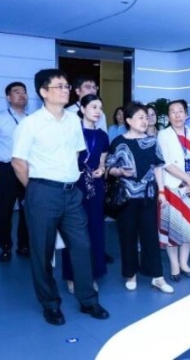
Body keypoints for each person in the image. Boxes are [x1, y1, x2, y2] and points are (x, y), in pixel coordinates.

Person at [12, 69, 108, 325]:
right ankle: (50, 304)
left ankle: (88, 300)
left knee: (82, 246)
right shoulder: (30, 123)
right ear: (43, 92)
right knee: (42, 252)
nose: (66, 90)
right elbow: (18, 162)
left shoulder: (73, 121)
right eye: (59, 86)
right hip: (43, 192)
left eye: (67, 86)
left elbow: (77, 154)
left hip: (72, 192)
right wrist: (37, 190)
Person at [106, 101, 173, 294]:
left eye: (146, 117)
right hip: (126, 197)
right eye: (140, 117)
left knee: (150, 235)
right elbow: (109, 168)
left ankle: (157, 277)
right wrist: (120, 171)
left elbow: (158, 167)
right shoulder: (118, 142)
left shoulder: (152, 141)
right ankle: (131, 274)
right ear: (128, 120)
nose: (145, 121)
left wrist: (161, 192)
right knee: (127, 235)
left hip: (148, 195)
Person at [62, 94, 109, 294]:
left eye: (100, 107)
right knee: (73, 231)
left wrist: (102, 169)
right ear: (82, 109)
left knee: (95, 229)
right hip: (75, 185)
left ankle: (92, 274)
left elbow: (103, 162)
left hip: (95, 186)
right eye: (93, 107)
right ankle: (72, 275)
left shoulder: (102, 136)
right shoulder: (71, 132)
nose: (98, 111)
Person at [158, 100, 190, 280]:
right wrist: (189, 179)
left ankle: (184, 263)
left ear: (186, 114)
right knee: (173, 229)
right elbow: (167, 163)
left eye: (180, 111)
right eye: (173, 112)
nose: (177, 115)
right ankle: (174, 266)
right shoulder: (164, 134)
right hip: (173, 187)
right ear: (168, 116)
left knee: (189, 228)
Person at [0, 81, 30, 263]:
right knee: (5, 209)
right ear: (8, 97)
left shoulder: (31, 120)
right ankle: (5, 247)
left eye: (24, 92)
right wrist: (3, 152)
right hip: (6, 169)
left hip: (27, 169)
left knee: (27, 208)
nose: (22, 95)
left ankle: (24, 245)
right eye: (17, 92)